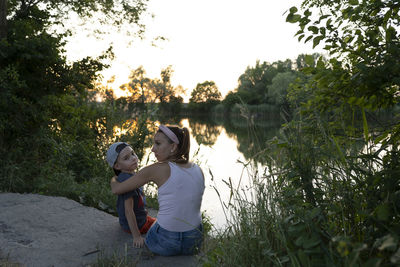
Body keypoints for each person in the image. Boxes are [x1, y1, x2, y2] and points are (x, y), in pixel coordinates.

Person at [110, 125, 205, 256]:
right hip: (194, 241)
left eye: (158, 144)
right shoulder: (198, 169)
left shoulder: (157, 169)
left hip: (167, 242)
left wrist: (114, 179)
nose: (153, 149)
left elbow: (117, 190)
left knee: (155, 225)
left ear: (173, 147)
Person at [106, 142, 156, 248]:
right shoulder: (127, 182)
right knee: (162, 226)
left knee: (159, 221)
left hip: (138, 219)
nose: (133, 158)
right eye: (126, 158)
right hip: (138, 225)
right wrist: (136, 236)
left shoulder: (129, 176)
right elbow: (128, 211)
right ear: (117, 166)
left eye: (133, 154)